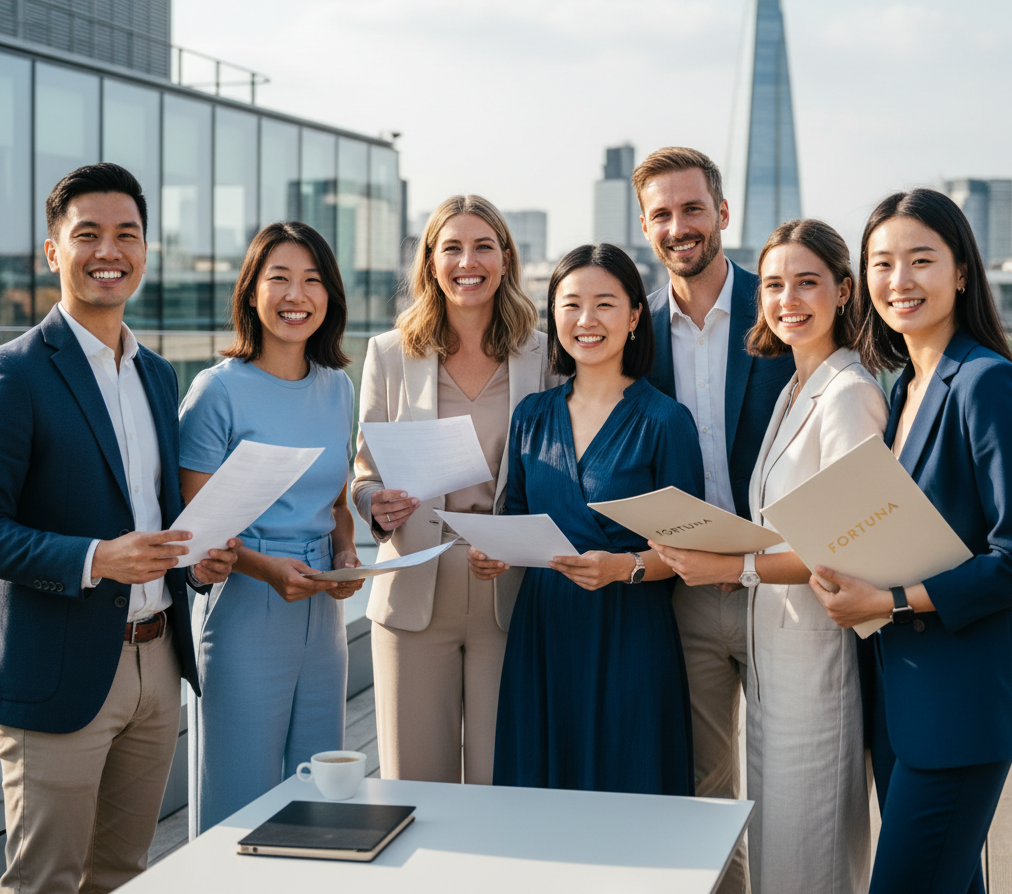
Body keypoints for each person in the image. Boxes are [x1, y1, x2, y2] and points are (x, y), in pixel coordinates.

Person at [0, 164, 236, 894]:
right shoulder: (15, 375)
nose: (110, 251)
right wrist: (98, 558)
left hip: (158, 665)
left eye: (126, 234)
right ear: (53, 252)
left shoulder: (159, 375)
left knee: (123, 877)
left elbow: (158, 516)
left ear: (145, 250)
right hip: (60, 672)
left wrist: (197, 559)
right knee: (44, 881)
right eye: (89, 234)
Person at [652, 220, 887, 894]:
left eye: (807, 282)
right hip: (774, 659)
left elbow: (849, 546)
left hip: (815, 661)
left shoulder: (849, 393)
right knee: (777, 853)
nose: (788, 299)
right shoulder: (792, 390)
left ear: (845, 290)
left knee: (807, 862)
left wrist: (733, 569)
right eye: (775, 285)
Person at [811, 189, 1012, 894]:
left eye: (920, 260)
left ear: (962, 272)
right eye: (881, 263)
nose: (898, 280)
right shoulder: (903, 388)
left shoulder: (987, 383)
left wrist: (890, 600)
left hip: (960, 707)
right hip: (901, 701)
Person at [474, 243, 703, 795]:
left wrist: (624, 568)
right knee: (542, 792)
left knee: (630, 786)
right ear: (553, 316)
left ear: (635, 316)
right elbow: (516, 516)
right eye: (571, 304)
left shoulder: (666, 422)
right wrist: (495, 554)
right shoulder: (531, 415)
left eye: (605, 304)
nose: (586, 320)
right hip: (544, 631)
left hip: (630, 632)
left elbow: (689, 551)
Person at [351, 195, 552, 784]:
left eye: (483, 246)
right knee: (413, 786)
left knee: (501, 783)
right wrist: (374, 504)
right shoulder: (389, 354)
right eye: (453, 248)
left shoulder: (544, 354)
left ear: (506, 257)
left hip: (509, 593)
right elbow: (364, 474)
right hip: (413, 591)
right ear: (430, 262)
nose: (468, 262)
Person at [636, 146, 793, 893]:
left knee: (793, 778)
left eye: (692, 208)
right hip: (684, 591)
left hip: (786, 586)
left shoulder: (782, 307)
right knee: (705, 784)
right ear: (645, 227)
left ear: (722, 212)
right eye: (662, 214)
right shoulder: (633, 327)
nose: (679, 227)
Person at [179, 221, 362, 837]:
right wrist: (266, 569)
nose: (296, 295)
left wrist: (346, 554)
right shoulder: (216, 390)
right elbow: (198, 527)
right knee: (239, 802)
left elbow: (337, 504)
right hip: (246, 604)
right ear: (251, 291)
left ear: (330, 294)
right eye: (278, 278)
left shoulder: (338, 387)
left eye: (312, 280)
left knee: (321, 795)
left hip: (323, 612)